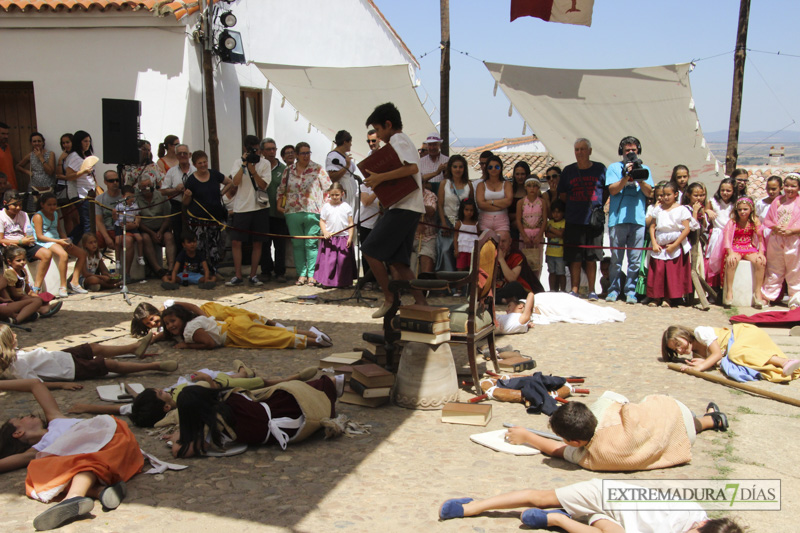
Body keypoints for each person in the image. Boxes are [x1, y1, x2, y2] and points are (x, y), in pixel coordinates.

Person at [0, 379, 143, 530]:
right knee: (39, 472)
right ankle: (99, 492)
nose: (27, 415)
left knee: (83, 459)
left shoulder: (56, 419)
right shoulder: (38, 451)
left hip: (110, 438)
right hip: (99, 460)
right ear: (18, 432)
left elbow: (35, 384)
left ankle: (74, 497)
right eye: (21, 419)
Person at [500, 391, 729, 472]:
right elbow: (622, 401)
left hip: (682, 440)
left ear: (575, 442)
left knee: (657, 426)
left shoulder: (593, 457)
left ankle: (712, 420)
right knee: (654, 416)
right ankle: (711, 421)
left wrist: (529, 437)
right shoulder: (605, 415)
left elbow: (558, 450)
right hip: (677, 416)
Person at [67, 361, 317, 427]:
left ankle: (242, 370)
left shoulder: (158, 402)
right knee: (255, 382)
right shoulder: (185, 402)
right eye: (158, 392)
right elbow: (212, 389)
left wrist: (88, 407)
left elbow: (124, 409)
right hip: (220, 386)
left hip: (212, 381)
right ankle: (291, 378)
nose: (159, 390)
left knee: (233, 376)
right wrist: (204, 379)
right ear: (166, 407)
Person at [440, 479, 742, 533]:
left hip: (615, 521)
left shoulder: (699, 520)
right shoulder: (687, 516)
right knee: (542, 497)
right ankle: (473, 507)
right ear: (702, 525)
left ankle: (556, 521)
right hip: (605, 496)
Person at [170, 374, 342, 458]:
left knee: (302, 395)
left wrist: (180, 434)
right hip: (280, 411)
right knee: (308, 390)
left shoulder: (218, 422)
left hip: (279, 417)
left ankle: (336, 383)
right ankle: (336, 382)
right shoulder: (225, 406)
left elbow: (179, 451)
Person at [361, 102, 426, 318]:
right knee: (399, 262)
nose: (378, 136)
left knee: (370, 249)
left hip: (404, 207)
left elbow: (412, 168)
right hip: (406, 206)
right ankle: (422, 304)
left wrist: (379, 178)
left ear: (388, 125)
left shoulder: (398, 139)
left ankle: (389, 298)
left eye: (378, 130)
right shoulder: (401, 140)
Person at [0, 324, 175, 384]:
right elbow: (36, 384)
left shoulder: (16, 356)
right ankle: (153, 367)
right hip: (67, 369)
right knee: (107, 365)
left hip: (59, 357)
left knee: (93, 347)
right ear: (7, 342)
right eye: (12, 335)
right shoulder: (17, 365)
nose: (16, 335)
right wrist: (62, 385)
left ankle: (132, 348)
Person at [605, 136, 653, 304]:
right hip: (617, 219)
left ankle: (630, 291)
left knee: (634, 260)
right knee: (616, 260)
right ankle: (613, 290)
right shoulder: (614, 168)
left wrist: (639, 177)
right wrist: (626, 176)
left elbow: (649, 193)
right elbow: (612, 190)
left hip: (638, 220)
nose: (630, 153)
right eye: (627, 151)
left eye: (633, 150)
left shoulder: (644, 169)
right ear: (621, 152)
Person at [663, 324, 800, 383]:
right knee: (733, 368)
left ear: (683, 334)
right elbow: (718, 361)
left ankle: (784, 362)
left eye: (678, 344)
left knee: (735, 353)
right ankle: (783, 367)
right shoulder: (697, 355)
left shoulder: (700, 332)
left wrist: (702, 366)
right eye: (676, 350)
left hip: (743, 336)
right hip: (738, 351)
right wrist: (703, 363)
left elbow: (716, 354)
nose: (680, 350)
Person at [277, 142, 331, 287]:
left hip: (313, 211)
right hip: (293, 211)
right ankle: (301, 274)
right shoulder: (288, 170)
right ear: (296, 154)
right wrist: (279, 205)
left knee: (311, 243)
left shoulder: (317, 169)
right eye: (303, 153)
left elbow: (328, 189)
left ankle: (312, 274)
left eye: (308, 153)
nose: (306, 156)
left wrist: (324, 208)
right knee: (297, 244)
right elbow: (281, 189)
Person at [558, 138, 606, 300]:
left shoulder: (600, 169)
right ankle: (575, 290)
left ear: (590, 151)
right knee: (575, 258)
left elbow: (605, 191)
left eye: (583, 149)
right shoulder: (568, 171)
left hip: (593, 221)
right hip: (574, 220)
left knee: (592, 258)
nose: (579, 152)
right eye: (577, 149)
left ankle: (592, 290)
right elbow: (563, 194)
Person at [160, 304, 332, 350]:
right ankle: (311, 333)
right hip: (236, 324)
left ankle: (316, 341)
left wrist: (187, 346)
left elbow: (209, 344)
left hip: (235, 332)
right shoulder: (194, 322)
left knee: (274, 338)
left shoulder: (191, 330)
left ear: (181, 318)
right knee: (274, 332)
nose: (170, 326)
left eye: (173, 321)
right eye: (167, 324)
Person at [226, 135, 270, 287]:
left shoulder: (264, 163)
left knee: (258, 243)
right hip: (241, 208)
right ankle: (238, 275)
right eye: (252, 149)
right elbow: (235, 182)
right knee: (236, 241)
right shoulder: (238, 162)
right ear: (245, 149)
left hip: (260, 207)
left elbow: (264, 185)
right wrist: (244, 165)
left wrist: (253, 171)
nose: (255, 152)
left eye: (257, 149)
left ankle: (253, 275)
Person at [31, 193, 88, 296]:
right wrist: (59, 241)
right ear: (42, 204)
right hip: (45, 242)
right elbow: (39, 236)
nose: (53, 207)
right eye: (49, 204)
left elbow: (59, 230)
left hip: (57, 240)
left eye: (54, 204)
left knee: (82, 254)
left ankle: (74, 282)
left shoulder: (56, 214)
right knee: (63, 255)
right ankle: (63, 286)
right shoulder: (38, 216)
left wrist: (66, 239)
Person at [714, 197, 767, 308]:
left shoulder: (754, 221)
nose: (742, 212)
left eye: (745, 209)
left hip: (749, 247)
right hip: (735, 247)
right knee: (732, 261)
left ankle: (757, 293)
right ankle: (729, 291)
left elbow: (761, 238)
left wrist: (761, 252)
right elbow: (727, 238)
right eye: (740, 209)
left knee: (760, 262)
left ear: (751, 209)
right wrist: (730, 252)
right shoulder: (732, 222)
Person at [183, 150, 232, 267]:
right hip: (198, 220)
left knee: (215, 246)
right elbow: (186, 203)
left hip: (215, 218)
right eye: (200, 163)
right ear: (195, 165)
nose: (203, 165)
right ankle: (200, 270)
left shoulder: (214, 174)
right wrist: (186, 195)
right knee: (200, 246)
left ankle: (213, 270)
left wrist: (221, 193)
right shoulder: (191, 180)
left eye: (205, 162)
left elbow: (230, 182)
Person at [647, 182, 692, 307]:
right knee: (658, 271)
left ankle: (668, 298)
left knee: (671, 272)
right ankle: (656, 297)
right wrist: (654, 243)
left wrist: (675, 245)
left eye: (668, 194)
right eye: (663, 195)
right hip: (660, 242)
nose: (665, 197)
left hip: (674, 243)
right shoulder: (658, 209)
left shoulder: (682, 210)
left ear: (675, 194)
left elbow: (686, 229)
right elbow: (652, 226)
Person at [761, 172, 800, 309]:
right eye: (787, 185)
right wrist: (776, 228)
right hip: (776, 239)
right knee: (774, 268)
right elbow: (769, 220)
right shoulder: (778, 201)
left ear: (798, 188)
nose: (789, 189)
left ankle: (795, 300)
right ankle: (767, 297)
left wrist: (791, 231)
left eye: (793, 186)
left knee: (794, 270)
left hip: (794, 240)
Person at [2, 245, 62, 320]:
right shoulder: (10, 273)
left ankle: (43, 308)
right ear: (9, 262)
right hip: (16, 298)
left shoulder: (23, 271)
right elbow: (14, 294)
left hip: (22, 295)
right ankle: (41, 310)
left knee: (42, 297)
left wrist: (34, 295)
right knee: (35, 301)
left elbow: (27, 289)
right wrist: (29, 297)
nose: (22, 262)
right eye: (18, 260)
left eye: (24, 260)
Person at [436, 154, 473, 272]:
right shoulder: (444, 184)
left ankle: (460, 286)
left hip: (463, 224)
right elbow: (440, 205)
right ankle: (446, 284)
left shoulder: (469, 185)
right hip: (447, 221)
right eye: (455, 166)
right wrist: (443, 223)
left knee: (462, 253)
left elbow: (471, 205)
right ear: (450, 168)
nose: (458, 169)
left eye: (460, 167)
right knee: (445, 250)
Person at [315, 183, 356, 288]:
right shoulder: (326, 206)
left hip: (343, 237)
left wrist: (350, 237)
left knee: (343, 261)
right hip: (330, 238)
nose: (334, 197)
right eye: (332, 195)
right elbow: (322, 221)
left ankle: (343, 282)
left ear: (342, 194)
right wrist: (325, 232)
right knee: (329, 261)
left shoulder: (346, 207)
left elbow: (350, 223)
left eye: (337, 195)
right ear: (329, 194)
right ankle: (328, 282)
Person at [259, 138, 288, 283]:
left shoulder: (283, 170)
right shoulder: (258, 167)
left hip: (278, 213)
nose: (271, 152)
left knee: (279, 244)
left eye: (274, 149)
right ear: (262, 151)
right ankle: (265, 270)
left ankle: (280, 272)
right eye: (268, 149)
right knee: (264, 244)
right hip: (262, 211)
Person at [681, 182, 714, 309]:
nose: (699, 198)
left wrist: (704, 214)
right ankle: (686, 294)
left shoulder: (703, 209)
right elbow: (691, 226)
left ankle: (697, 294)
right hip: (689, 243)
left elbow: (704, 227)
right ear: (689, 195)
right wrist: (695, 212)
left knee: (698, 266)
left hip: (698, 243)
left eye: (702, 195)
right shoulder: (685, 209)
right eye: (696, 195)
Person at [135, 176, 173, 277]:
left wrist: (160, 231)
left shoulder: (161, 196)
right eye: (143, 187)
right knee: (145, 238)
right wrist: (152, 233)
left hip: (161, 228)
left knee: (169, 237)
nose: (146, 188)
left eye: (148, 186)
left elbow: (167, 217)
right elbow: (138, 220)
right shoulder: (136, 198)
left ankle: (171, 268)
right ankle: (157, 269)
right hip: (146, 229)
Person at [63, 130, 97, 244]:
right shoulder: (74, 156)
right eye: (85, 141)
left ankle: (69, 242)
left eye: (89, 141)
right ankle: (89, 250)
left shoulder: (85, 155)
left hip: (88, 192)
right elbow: (68, 176)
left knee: (85, 223)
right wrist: (83, 171)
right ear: (79, 142)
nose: (87, 143)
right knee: (88, 223)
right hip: (80, 194)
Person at [160, 143, 194, 246]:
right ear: (176, 156)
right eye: (180, 153)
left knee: (193, 233)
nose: (183, 155)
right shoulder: (171, 171)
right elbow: (163, 191)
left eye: (185, 153)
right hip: (177, 206)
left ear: (189, 155)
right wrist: (175, 189)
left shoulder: (196, 170)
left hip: (193, 206)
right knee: (178, 235)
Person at [496, 230, 545, 303]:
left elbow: (512, 278)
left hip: (523, 290)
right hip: (503, 288)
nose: (500, 244)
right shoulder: (493, 253)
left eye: (503, 241)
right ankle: (502, 300)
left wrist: (501, 259)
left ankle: (497, 299)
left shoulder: (517, 255)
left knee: (515, 286)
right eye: (498, 241)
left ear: (510, 241)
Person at [705, 177, 736, 288]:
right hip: (717, 235)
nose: (725, 193)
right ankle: (713, 288)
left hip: (731, 235)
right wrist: (707, 211)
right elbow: (705, 212)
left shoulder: (735, 203)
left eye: (728, 191)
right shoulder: (713, 202)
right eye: (722, 190)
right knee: (713, 262)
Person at [94, 170, 126, 270]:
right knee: (90, 242)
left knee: (128, 240)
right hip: (107, 230)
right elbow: (98, 221)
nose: (115, 183)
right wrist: (106, 237)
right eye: (111, 181)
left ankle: (126, 271)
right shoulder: (99, 199)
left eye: (117, 180)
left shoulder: (124, 196)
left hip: (122, 229)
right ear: (105, 182)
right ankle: (98, 270)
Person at [15, 132, 56, 213]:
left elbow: (50, 171)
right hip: (33, 189)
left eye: (39, 141)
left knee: (48, 212)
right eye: (34, 141)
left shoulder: (50, 154)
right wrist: (27, 172)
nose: (37, 143)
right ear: (31, 143)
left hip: (47, 189)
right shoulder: (30, 155)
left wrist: (41, 157)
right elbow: (18, 166)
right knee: (33, 211)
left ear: (43, 142)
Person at [516, 176, 548, 276]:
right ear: (526, 187)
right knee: (523, 261)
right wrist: (524, 236)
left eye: (535, 186)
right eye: (529, 186)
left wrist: (539, 236)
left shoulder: (542, 202)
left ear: (538, 188)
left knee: (537, 263)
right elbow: (518, 220)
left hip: (538, 234)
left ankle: (536, 284)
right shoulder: (521, 202)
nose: (532, 189)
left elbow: (544, 220)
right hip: (525, 233)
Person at [476, 155, 513, 234]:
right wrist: (501, 206)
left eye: (497, 167)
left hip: (502, 220)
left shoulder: (507, 184)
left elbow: (508, 202)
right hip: (485, 220)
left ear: (501, 168)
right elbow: (481, 204)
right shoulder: (481, 185)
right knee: (485, 245)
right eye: (490, 167)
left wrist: (490, 202)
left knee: (503, 245)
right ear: (487, 169)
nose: (493, 169)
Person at [113, 185, 144, 273]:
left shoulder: (135, 205)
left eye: (132, 196)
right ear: (123, 196)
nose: (131, 198)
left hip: (131, 225)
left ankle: (140, 257)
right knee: (117, 242)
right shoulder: (119, 206)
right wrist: (114, 214)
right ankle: (118, 261)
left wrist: (136, 223)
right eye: (128, 196)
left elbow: (138, 215)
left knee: (139, 238)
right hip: (120, 225)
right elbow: (115, 218)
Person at [326, 130, 358, 211]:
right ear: (345, 142)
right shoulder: (333, 156)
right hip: (343, 190)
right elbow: (333, 177)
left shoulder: (345, 154)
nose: (351, 144)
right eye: (350, 142)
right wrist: (346, 167)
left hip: (351, 190)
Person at [411, 185, 438, 276]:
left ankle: (425, 287)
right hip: (409, 238)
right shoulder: (405, 195)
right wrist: (416, 223)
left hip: (427, 237)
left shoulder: (429, 195)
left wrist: (418, 204)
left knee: (426, 256)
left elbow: (431, 211)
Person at [545, 200, 566, 292]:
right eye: (554, 212)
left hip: (560, 254)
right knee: (551, 272)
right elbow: (546, 234)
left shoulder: (564, 222)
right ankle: (552, 290)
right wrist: (556, 233)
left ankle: (563, 290)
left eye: (558, 212)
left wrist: (551, 229)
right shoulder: (550, 222)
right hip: (550, 253)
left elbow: (561, 234)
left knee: (561, 273)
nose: (556, 214)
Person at [454, 198, 480, 270]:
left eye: (471, 210)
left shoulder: (476, 223)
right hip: (462, 249)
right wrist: (456, 249)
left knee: (471, 267)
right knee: (461, 266)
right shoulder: (459, 223)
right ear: (462, 210)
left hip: (472, 249)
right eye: (466, 210)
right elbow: (455, 237)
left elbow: (478, 235)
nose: (469, 212)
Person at [0, 122, 17, 189]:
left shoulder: (7, 147)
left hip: (11, 186)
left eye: (7, 134)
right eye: (3, 134)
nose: (6, 136)